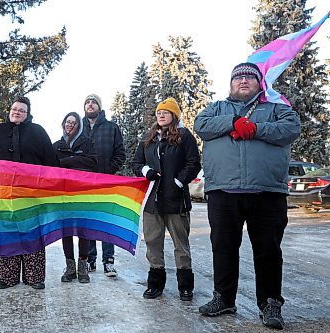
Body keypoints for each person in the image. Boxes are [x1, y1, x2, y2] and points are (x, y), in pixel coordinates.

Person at [194, 62, 301, 330]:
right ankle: (224, 298)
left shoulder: (277, 109)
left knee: (267, 251)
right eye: (238, 77)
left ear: (259, 83)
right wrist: (231, 122)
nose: (244, 81)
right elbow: (201, 125)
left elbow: (291, 129)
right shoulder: (217, 108)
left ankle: (270, 303)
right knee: (224, 248)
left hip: (267, 191)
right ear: (231, 84)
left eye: (250, 77)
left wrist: (255, 128)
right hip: (223, 191)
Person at [0, 96, 58, 290]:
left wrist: (48, 185)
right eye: (14, 109)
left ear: (27, 114)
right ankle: (7, 277)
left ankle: (34, 276)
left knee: (32, 232)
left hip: (32, 194)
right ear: (9, 110)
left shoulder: (38, 132)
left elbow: (51, 162)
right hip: (3, 194)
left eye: (21, 110)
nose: (17, 112)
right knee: (7, 231)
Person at [132, 98, 201, 301]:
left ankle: (185, 286)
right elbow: (137, 162)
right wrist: (146, 171)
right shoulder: (148, 138)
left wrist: (179, 182)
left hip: (176, 200)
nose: (161, 115)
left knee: (181, 244)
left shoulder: (184, 136)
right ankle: (155, 284)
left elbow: (193, 163)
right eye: (159, 112)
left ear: (174, 115)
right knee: (153, 242)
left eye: (166, 112)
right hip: (153, 200)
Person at [81, 93, 126, 277]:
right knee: (89, 221)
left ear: (99, 107)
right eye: (87, 102)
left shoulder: (111, 127)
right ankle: (90, 260)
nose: (90, 105)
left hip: (106, 183)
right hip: (83, 184)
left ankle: (108, 261)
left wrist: (108, 171)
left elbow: (120, 154)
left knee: (106, 222)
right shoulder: (78, 128)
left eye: (94, 102)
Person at [53, 111, 97, 284]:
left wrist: (68, 161)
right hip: (62, 193)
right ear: (63, 124)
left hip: (82, 192)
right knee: (66, 230)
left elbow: (92, 163)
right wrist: (75, 161)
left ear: (79, 126)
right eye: (67, 122)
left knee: (83, 230)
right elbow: (50, 166)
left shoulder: (87, 143)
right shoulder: (56, 145)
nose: (70, 125)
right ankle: (70, 267)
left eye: (74, 122)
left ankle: (83, 266)